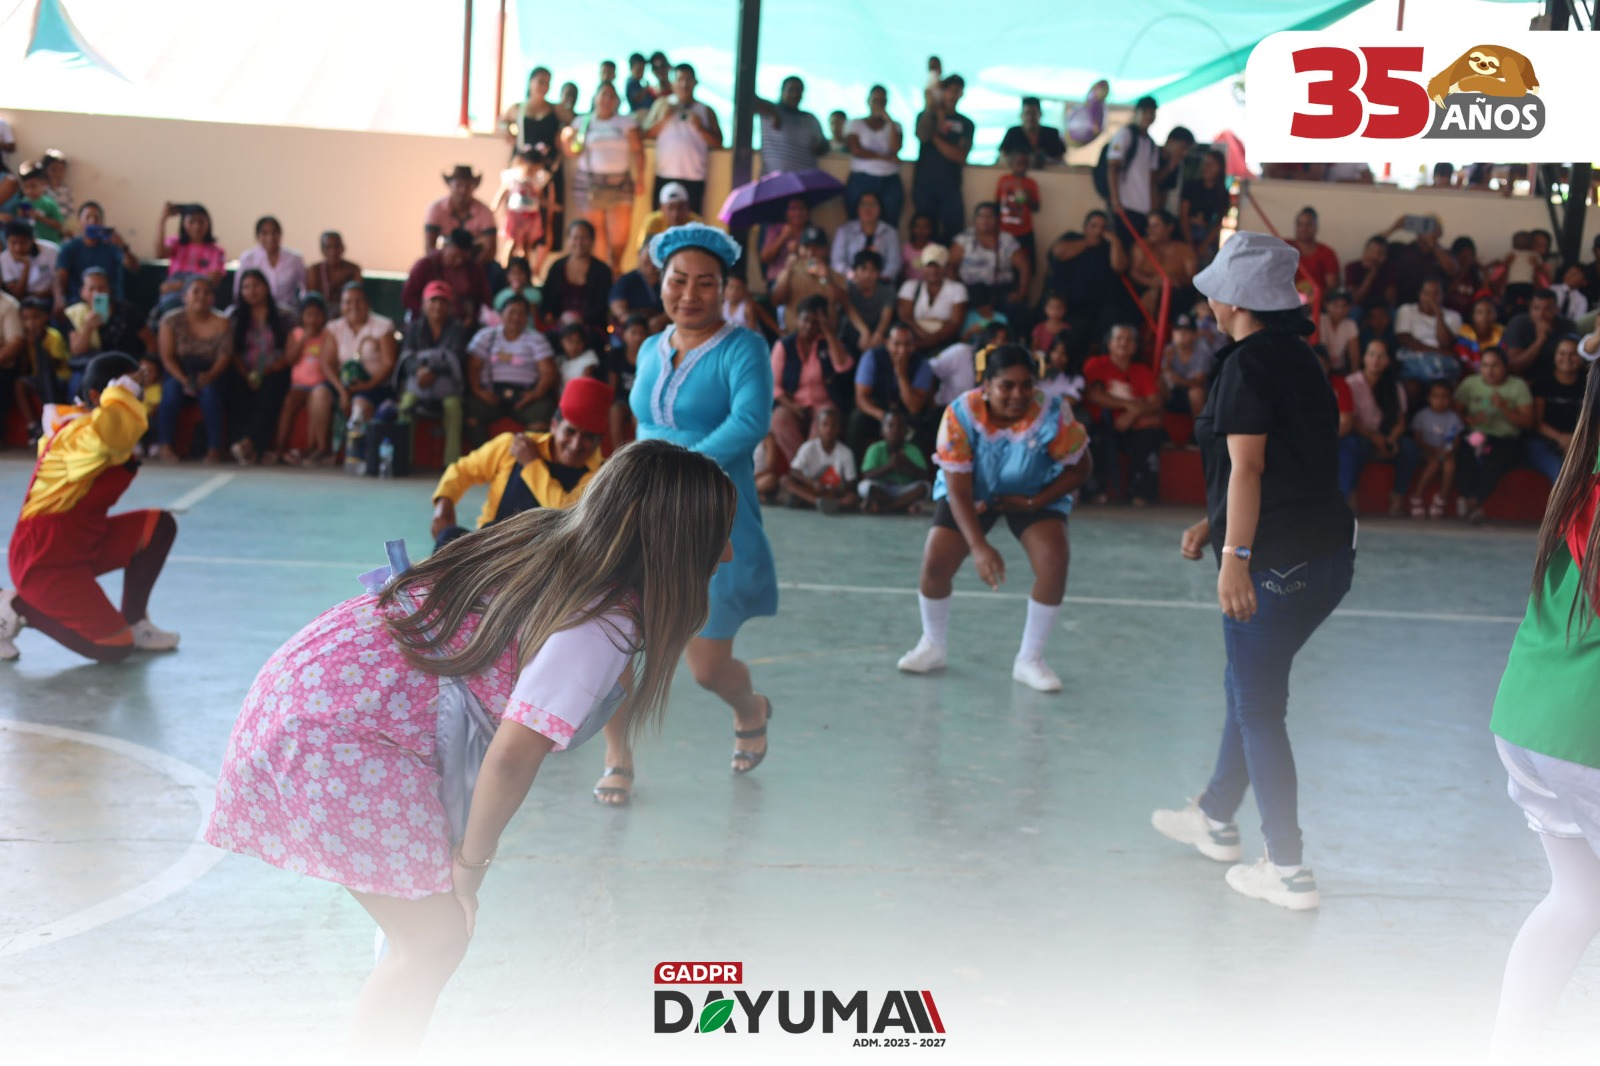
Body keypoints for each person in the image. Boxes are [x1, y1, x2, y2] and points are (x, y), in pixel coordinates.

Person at [203, 441, 738, 1047]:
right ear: (676, 544)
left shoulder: (547, 535)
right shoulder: (602, 621)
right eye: (719, 535)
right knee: (434, 940)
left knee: (420, 933)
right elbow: (511, 755)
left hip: (314, 683)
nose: (726, 553)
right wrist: (469, 869)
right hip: (336, 730)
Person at [1151, 232, 1356, 912]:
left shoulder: (1244, 367)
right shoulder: (1301, 360)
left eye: (1214, 289)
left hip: (1273, 563)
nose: (1207, 299)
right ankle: (1215, 814)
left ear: (1235, 299)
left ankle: (1288, 869)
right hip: (1329, 558)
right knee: (1247, 688)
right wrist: (1214, 523)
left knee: (1261, 708)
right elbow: (1293, 464)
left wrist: (1235, 557)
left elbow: (1249, 467)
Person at [627, 222, 778, 799]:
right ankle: (616, 756)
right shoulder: (650, 347)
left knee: (708, 668)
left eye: (706, 283)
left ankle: (749, 706)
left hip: (712, 515)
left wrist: (678, 468)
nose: (689, 294)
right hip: (641, 511)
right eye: (678, 280)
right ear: (661, 281)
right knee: (612, 640)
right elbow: (643, 423)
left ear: (725, 288)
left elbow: (750, 422)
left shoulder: (744, 348)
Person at [1486, 332, 1600, 1051]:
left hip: (1530, 720)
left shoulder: (1585, 465)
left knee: (1577, 899)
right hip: (1583, 732)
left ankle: (1509, 1049)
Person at [896, 343, 1092, 692]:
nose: (1018, 394)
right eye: (1007, 386)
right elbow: (957, 489)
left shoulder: (1053, 414)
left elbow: (1081, 468)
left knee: (1054, 560)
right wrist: (979, 547)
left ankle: (1030, 659)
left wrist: (1033, 502)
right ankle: (932, 644)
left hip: (1032, 490)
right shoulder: (959, 414)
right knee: (935, 562)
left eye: (1026, 385)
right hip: (972, 493)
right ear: (986, 386)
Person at [0, 353, 180, 663]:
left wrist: (123, 391)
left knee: (159, 526)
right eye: (130, 387)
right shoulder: (78, 433)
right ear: (98, 396)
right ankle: (15, 607)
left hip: (83, 539)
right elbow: (108, 435)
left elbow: (118, 431)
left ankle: (136, 621)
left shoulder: (94, 425)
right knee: (115, 647)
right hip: (44, 557)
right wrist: (122, 392)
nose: (137, 396)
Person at [429, 377, 612, 548]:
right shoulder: (513, 445)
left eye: (588, 437)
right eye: (570, 431)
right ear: (554, 426)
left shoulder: (603, 475)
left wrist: (532, 466)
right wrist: (444, 501)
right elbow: (463, 470)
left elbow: (569, 517)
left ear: (599, 440)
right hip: (490, 547)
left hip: (546, 560)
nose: (575, 444)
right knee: (448, 538)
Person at [560, 81, 645, 274]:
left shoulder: (626, 122)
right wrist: (566, 139)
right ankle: (600, 278)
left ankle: (615, 273)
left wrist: (640, 178)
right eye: (603, 94)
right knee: (596, 236)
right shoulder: (582, 122)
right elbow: (573, 152)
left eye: (611, 95)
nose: (607, 99)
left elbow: (638, 151)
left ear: (617, 100)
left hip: (620, 185)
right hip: (589, 185)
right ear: (595, 98)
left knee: (619, 239)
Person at [1083, 324, 1163, 505]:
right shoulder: (1096, 364)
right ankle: (1095, 492)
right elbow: (1094, 395)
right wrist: (1130, 406)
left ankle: (1140, 493)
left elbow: (1156, 402)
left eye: (1129, 340)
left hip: (1132, 425)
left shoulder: (1141, 370)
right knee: (1093, 437)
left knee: (1149, 436)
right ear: (1109, 343)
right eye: (1119, 338)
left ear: (1135, 346)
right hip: (1101, 423)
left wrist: (1132, 414)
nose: (1123, 343)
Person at [155, 277, 232, 464]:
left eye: (207, 292)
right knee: (171, 391)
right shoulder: (170, 320)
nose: (201, 296)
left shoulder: (222, 322)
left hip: (211, 371)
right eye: (196, 291)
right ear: (184, 296)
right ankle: (165, 446)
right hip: (178, 370)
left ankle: (214, 449)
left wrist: (209, 376)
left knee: (210, 394)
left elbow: (225, 356)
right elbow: (167, 357)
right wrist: (183, 379)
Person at [1454, 346, 1534, 524]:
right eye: (1485, 365)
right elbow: (1454, 412)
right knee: (1464, 452)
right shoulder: (1470, 384)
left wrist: (1504, 408)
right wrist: (1469, 419)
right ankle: (1469, 500)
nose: (1489, 371)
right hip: (1476, 435)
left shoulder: (1517, 386)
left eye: (1495, 365)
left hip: (1505, 438)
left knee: (1496, 459)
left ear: (1505, 367)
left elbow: (1528, 422)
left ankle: (1473, 503)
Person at [1337, 338, 1417, 516]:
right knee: (1355, 446)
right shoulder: (1351, 383)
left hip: (1387, 434)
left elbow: (1401, 420)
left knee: (1409, 448)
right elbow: (1351, 420)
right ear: (1364, 357)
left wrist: (1391, 439)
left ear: (1388, 361)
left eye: (1381, 356)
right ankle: (1351, 495)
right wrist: (1374, 438)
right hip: (1362, 434)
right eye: (1372, 354)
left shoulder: (1394, 386)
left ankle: (1397, 496)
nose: (1376, 360)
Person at [464, 293, 557, 443]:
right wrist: (478, 391)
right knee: (471, 411)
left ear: (527, 317)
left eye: (521, 314)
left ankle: (527, 456)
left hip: (526, 396)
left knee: (542, 413)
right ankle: (485, 456)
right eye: (512, 312)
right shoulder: (485, 336)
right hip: (490, 395)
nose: (516, 318)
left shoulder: (537, 339)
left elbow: (548, 372)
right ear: (502, 314)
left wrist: (535, 394)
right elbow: (473, 366)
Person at [225, 268, 294, 466]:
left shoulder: (284, 314)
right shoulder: (234, 315)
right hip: (243, 370)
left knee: (271, 393)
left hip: (275, 370)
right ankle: (240, 444)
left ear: (266, 287)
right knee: (236, 390)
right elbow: (232, 351)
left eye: (256, 285)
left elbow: (289, 350)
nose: (251, 291)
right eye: (246, 287)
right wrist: (247, 374)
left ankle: (249, 443)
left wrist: (269, 370)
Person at [395, 283, 470, 466]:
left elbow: (458, 358)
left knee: (453, 407)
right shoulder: (414, 327)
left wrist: (432, 371)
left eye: (443, 301)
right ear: (424, 304)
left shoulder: (458, 329)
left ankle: (451, 464)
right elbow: (406, 357)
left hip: (446, 387)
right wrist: (418, 371)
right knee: (406, 405)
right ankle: (403, 460)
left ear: (449, 306)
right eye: (433, 300)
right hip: (418, 383)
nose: (437, 306)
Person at [644, 64, 721, 213]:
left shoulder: (706, 110)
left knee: (691, 224)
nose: (684, 84)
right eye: (680, 80)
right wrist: (663, 120)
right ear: (672, 83)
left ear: (695, 82)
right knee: (660, 223)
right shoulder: (662, 104)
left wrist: (700, 128)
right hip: (665, 175)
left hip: (694, 178)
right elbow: (645, 135)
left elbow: (719, 144)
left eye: (688, 80)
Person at [274, 293, 341, 466]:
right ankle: (279, 447)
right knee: (288, 403)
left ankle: (317, 448)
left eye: (317, 315)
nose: (313, 319)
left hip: (320, 383)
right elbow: (290, 359)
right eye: (309, 315)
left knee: (317, 402)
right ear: (302, 316)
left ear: (324, 316)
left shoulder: (327, 335)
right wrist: (304, 338)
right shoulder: (296, 334)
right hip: (298, 385)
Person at [912, 74, 974, 244]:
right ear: (942, 92)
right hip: (924, 185)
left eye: (956, 91)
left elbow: (960, 156)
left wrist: (935, 136)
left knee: (954, 233)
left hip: (951, 186)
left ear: (961, 94)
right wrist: (930, 108)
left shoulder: (966, 123)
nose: (952, 95)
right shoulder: (925, 116)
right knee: (925, 234)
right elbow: (922, 135)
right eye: (949, 90)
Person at [54, 202, 139, 308]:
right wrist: (59, 300)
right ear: (79, 221)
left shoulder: (112, 245)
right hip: (78, 304)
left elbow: (134, 267)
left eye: (96, 218)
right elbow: (61, 278)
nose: (92, 221)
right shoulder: (69, 248)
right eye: (88, 217)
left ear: (102, 222)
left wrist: (123, 246)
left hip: (110, 304)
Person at [540, 219, 615, 337]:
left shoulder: (602, 271)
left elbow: (603, 305)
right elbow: (547, 298)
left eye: (584, 238)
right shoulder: (557, 267)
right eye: (575, 238)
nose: (579, 242)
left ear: (592, 240)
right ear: (568, 240)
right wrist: (551, 316)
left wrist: (581, 319)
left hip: (591, 326)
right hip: (560, 324)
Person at [776, 406, 858, 513]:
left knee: (851, 498)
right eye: (825, 425)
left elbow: (851, 482)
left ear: (839, 429)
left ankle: (814, 502)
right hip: (812, 489)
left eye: (833, 425)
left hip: (832, 492)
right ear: (818, 427)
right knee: (785, 480)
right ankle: (818, 502)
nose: (829, 429)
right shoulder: (809, 447)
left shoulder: (846, 453)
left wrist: (838, 488)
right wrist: (812, 483)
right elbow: (794, 471)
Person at [1528, 334, 1585, 483]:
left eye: (1573, 354)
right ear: (1554, 356)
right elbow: (1537, 422)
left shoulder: (1590, 383)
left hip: (1581, 440)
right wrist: (1561, 438)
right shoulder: (1542, 383)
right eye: (1562, 353)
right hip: (1544, 442)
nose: (1567, 358)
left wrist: (1576, 441)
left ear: (1581, 357)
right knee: (1561, 474)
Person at [402, 229, 491, 324]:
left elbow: (485, 300)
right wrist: (429, 313)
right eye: (455, 256)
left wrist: (472, 317)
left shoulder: (474, 270)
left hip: (463, 324)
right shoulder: (425, 265)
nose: (459, 261)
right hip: (427, 322)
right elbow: (408, 297)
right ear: (445, 247)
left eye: (463, 257)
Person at [844, 86, 905, 226]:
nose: (879, 104)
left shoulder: (895, 125)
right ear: (868, 101)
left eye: (882, 101)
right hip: (861, 178)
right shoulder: (856, 123)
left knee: (890, 221)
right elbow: (856, 149)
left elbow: (895, 148)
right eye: (875, 100)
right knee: (855, 220)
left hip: (889, 179)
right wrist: (885, 158)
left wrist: (889, 121)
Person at [858, 408, 932, 514]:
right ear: (882, 430)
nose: (895, 430)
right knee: (865, 486)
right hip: (882, 489)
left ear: (905, 430)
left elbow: (924, 475)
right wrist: (889, 466)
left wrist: (907, 464)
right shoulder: (875, 448)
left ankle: (886, 508)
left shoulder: (913, 449)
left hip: (904, 489)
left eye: (900, 426)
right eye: (891, 425)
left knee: (925, 487)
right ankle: (902, 506)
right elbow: (867, 475)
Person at [1410, 380, 1464, 519]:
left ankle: (1441, 498)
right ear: (1429, 398)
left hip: (1445, 452)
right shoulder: (1422, 415)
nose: (1440, 400)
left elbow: (1455, 440)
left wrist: (1448, 451)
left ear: (1450, 399)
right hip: (1425, 452)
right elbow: (1418, 439)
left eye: (1444, 396)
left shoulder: (1454, 418)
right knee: (1433, 463)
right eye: (1436, 396)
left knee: (1449, 463)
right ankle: (1417, 495)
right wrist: (1432, 450)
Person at [754, 76, 827, 175]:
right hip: (774, 178)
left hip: (805, 179)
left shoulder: (811, 119)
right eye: (791, 90)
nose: (795, 94)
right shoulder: (768, 111)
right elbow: (747, 96)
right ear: (782, 91)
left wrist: (819, 146)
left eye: (799, 91)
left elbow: (825, 145)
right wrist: (773, 112)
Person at [424, 166, 498, 263]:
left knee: (495, 269)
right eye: (458, 185)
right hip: (444, 259)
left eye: (467, 186)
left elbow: (491, 249)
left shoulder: (485, 212)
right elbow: (430, 247)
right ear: (450, 185)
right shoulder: (435, 209)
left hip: (475, 259)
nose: (463, 190)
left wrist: (474, 267)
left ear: (474, 187)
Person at [154, 203, 226, 299]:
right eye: (191, 221)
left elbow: (213, 281)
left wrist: (177, 285)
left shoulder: (216, 251)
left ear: (208, 224)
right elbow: (160, 253)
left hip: (200, 296)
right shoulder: (176, 243)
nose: (196, 226)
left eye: (201, 222)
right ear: (184, 223)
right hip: (174, 296)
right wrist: (163, 220)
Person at [234, 216, 307, 311]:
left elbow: (305, 287)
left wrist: (302, 306)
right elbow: (238, 290)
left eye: (274, 232)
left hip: (288, 311)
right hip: (256, 311)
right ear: (257, 236)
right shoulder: (248, 258)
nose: (270, 238)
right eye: (264, 233)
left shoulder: (294, 258)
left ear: (280, 234)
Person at [997, 96, 1065, 169]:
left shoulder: (1052, 134)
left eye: (1033, 113)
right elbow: (1002, 158)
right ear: (1021, 115)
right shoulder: (1013, 133)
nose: (1030, 117)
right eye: (1027, 113)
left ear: (1040, 114)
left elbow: (1061, 160)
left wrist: (1046, 161)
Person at [305, 231, 363, 301]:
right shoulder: (314, 270)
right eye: (328, 247)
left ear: (343, 248)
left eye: (336, 246)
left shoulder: (353, 269)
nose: (333, 252)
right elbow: (311, 299)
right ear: (322, 250)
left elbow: (357, 297)